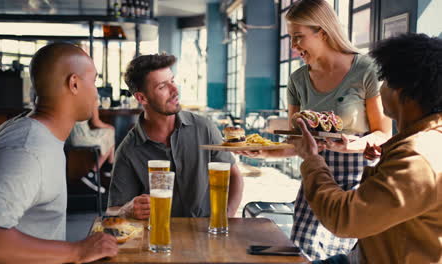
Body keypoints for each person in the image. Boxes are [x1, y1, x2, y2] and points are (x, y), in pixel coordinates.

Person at [239, 0, 392, 259]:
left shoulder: (365, 69)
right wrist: (264, 153)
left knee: (349, 258)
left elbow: (383, 134)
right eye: (291, 37)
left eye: (298, 37)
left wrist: (351, 145)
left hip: (358, 185)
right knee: (302, 254)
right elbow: (298, 143)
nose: (293, 46)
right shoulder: (297, 80)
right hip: (314, 182)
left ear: (322, 32)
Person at [291, 33, 442, 264]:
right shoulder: (423, 143)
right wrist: (381, 159)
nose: (380, 90)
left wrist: (312, 160)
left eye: (386, 81)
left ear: (402, 92)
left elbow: (345, 218)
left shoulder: (416, 158)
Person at [0, 43, 118, 263]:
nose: (96, 93)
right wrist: (77, 251)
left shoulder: (36, 133)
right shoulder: (28, 150)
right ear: (74, 84)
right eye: (94, 81)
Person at [107, 53, 244, 219]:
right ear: (141, 98)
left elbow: (234, 176)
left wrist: (226, 217)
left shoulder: (204, 128)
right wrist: (127, 209)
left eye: (172, 80)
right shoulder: (128, 150)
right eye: (162, 86)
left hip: (206, 236)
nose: (175, 90)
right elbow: (112, 210)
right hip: (157, 239)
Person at [69, 99, 115, 193]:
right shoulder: (91, 97)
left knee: (109, 136)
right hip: (82, 137)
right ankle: (95, 172)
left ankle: (108, 167)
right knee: (110, 132)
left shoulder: (70, 97)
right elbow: (96, 122)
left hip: (68, 138)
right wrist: (110, 126)